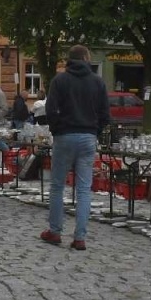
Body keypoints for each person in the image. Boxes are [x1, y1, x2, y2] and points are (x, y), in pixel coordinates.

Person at [40, 45, 109, 251]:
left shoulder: (59, 80)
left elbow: (50, 110)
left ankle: (55, 231)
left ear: (69, 60)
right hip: (88, 136)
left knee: (57, 186)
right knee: (84, 189)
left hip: (65, 136)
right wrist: (94, 131)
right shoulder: (97, 82)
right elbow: (105, 114)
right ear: (87, 58)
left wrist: (57, 129)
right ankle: (80, 237)